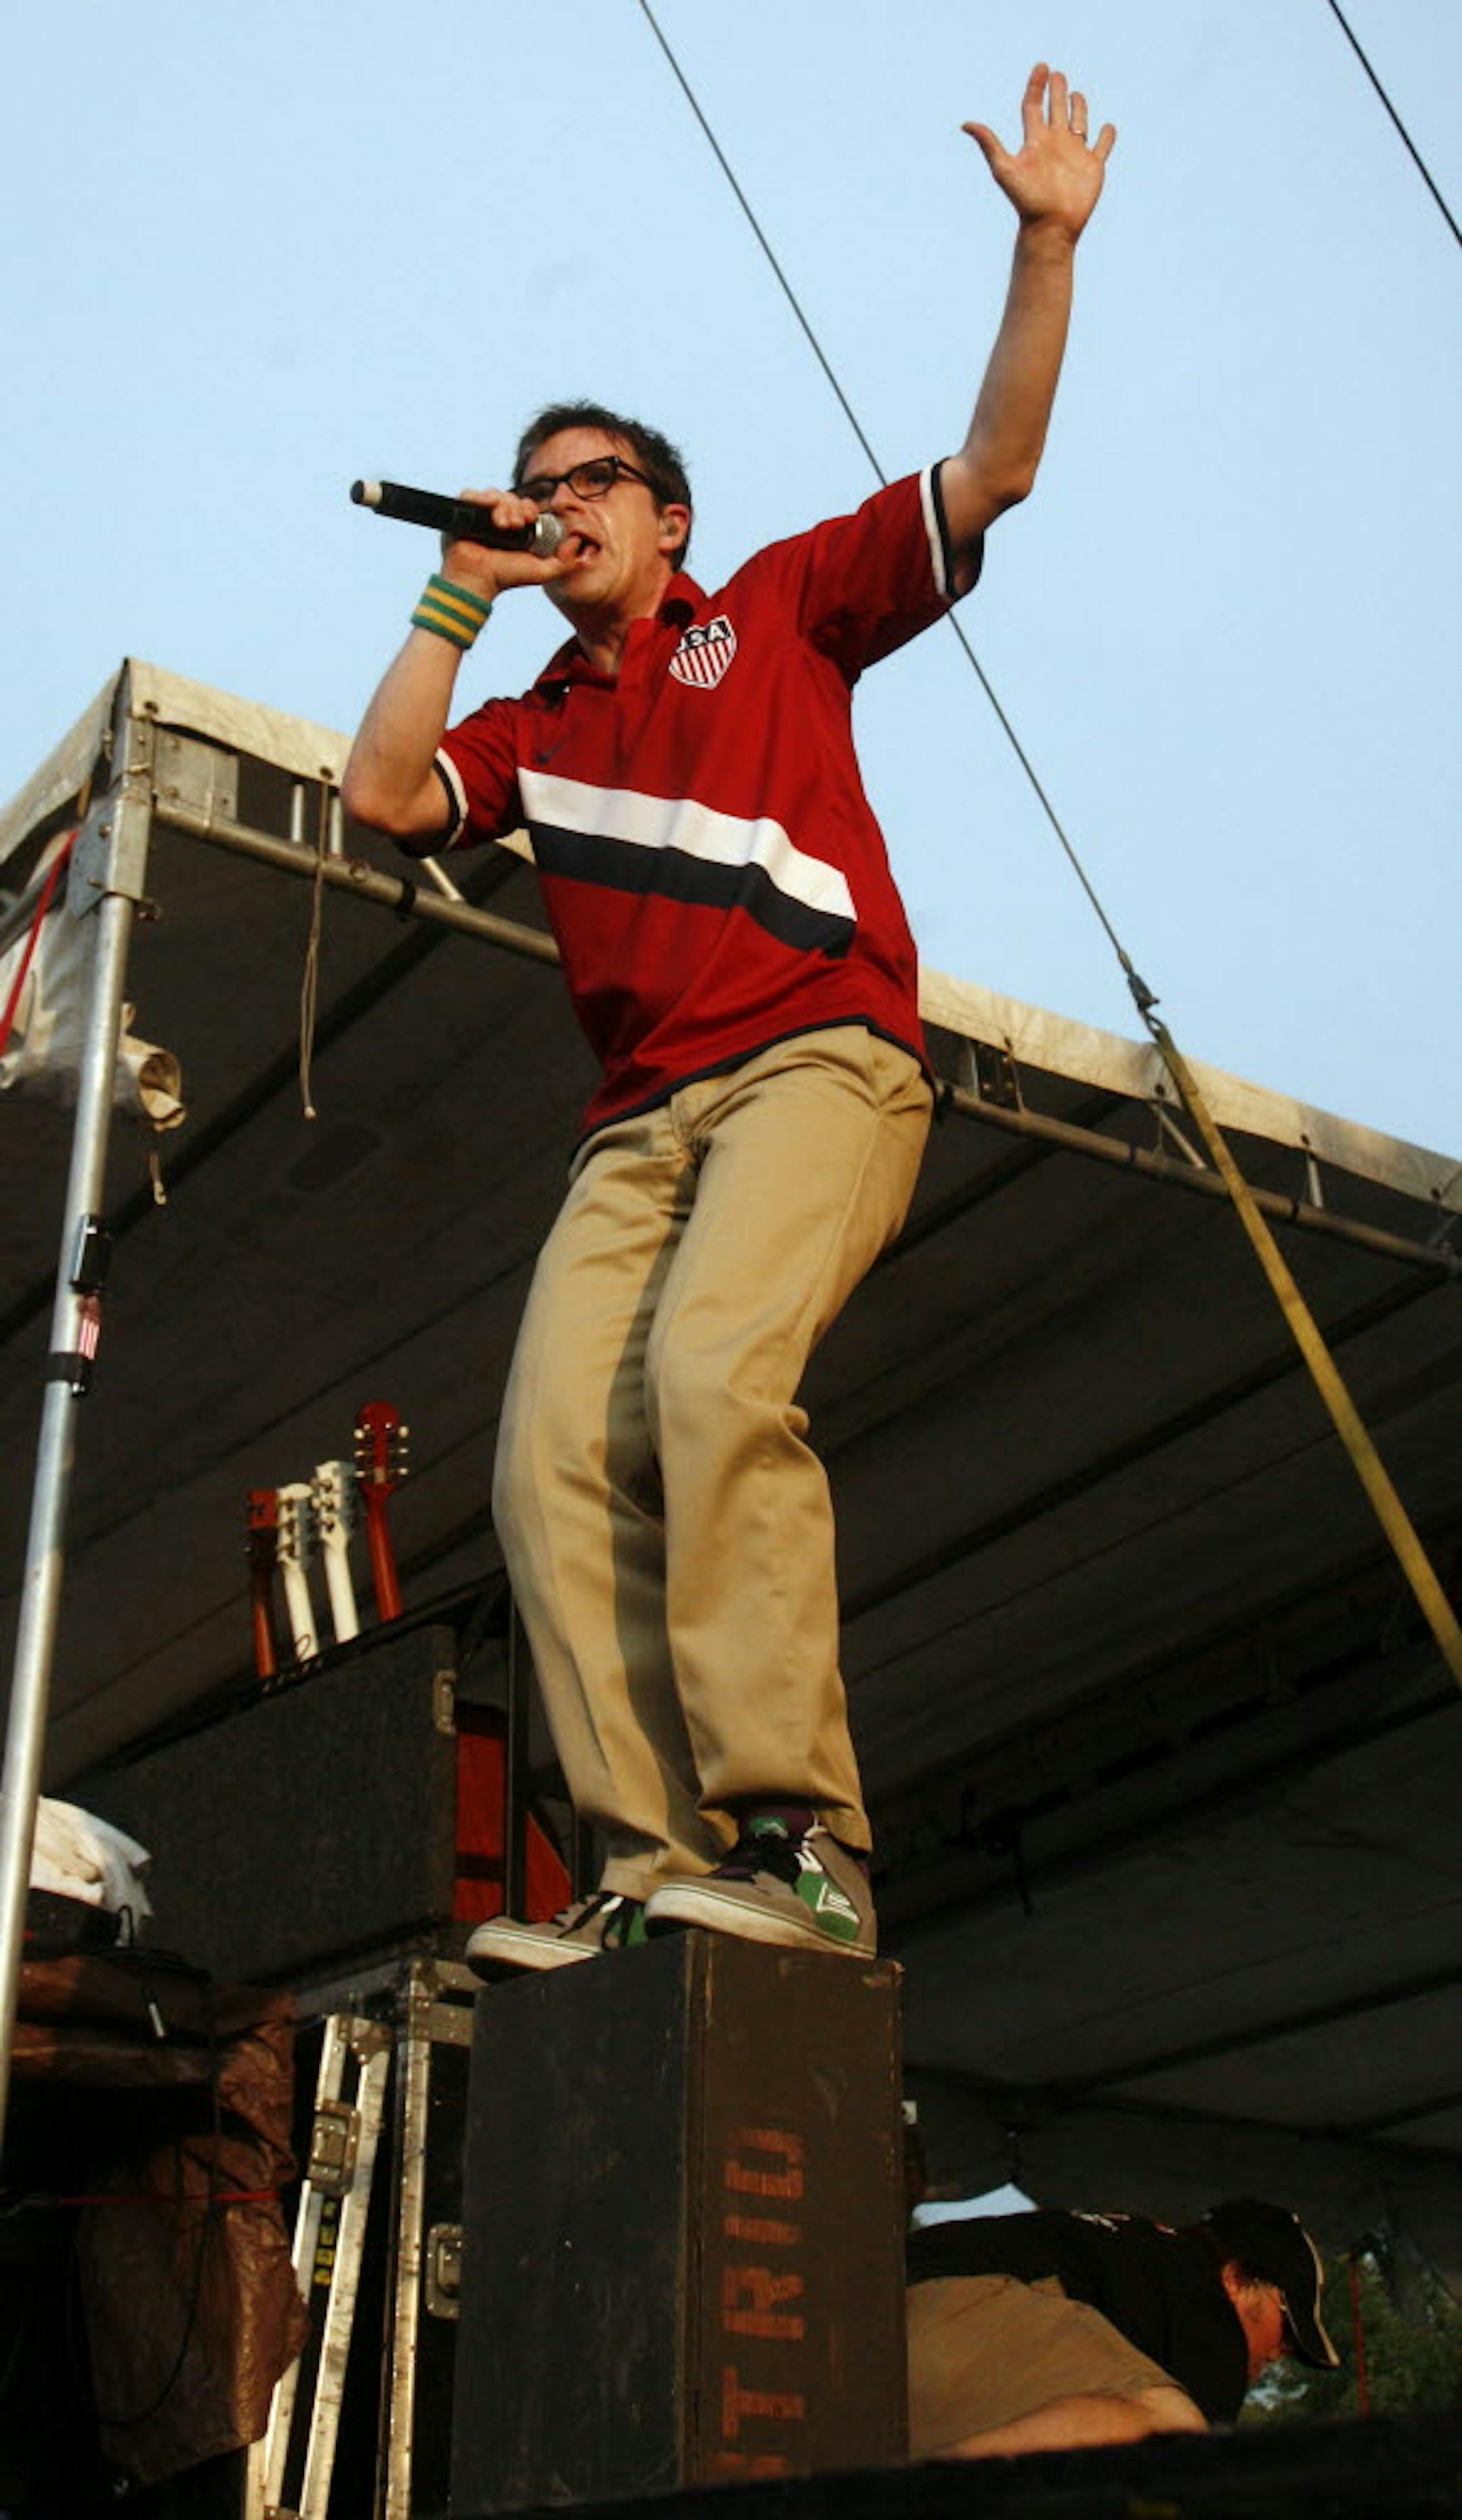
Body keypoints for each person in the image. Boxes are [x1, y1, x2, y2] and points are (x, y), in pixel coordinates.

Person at [343, 67, 1115, 1971]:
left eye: (590, 480)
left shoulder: (766, 607)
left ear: (670, 517)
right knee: (539, 1464)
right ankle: (639, 1861)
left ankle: (804, 1843)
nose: (557, 506)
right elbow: (379, 796)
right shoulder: (531, 723)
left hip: (817, 1060)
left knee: (709, 1379)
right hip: (638, 1118)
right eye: (541, 488)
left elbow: (992, 467)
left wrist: (1041, 242)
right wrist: (456, 591)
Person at [906, 2197, 1342, 2460]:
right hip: (945, 2310)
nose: (1280, 2351)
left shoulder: (1137, 2264)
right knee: (1174, 2442)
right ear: (1236, 2280)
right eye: (1286, 2327)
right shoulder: (1205, 2307)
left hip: (881, 2307)